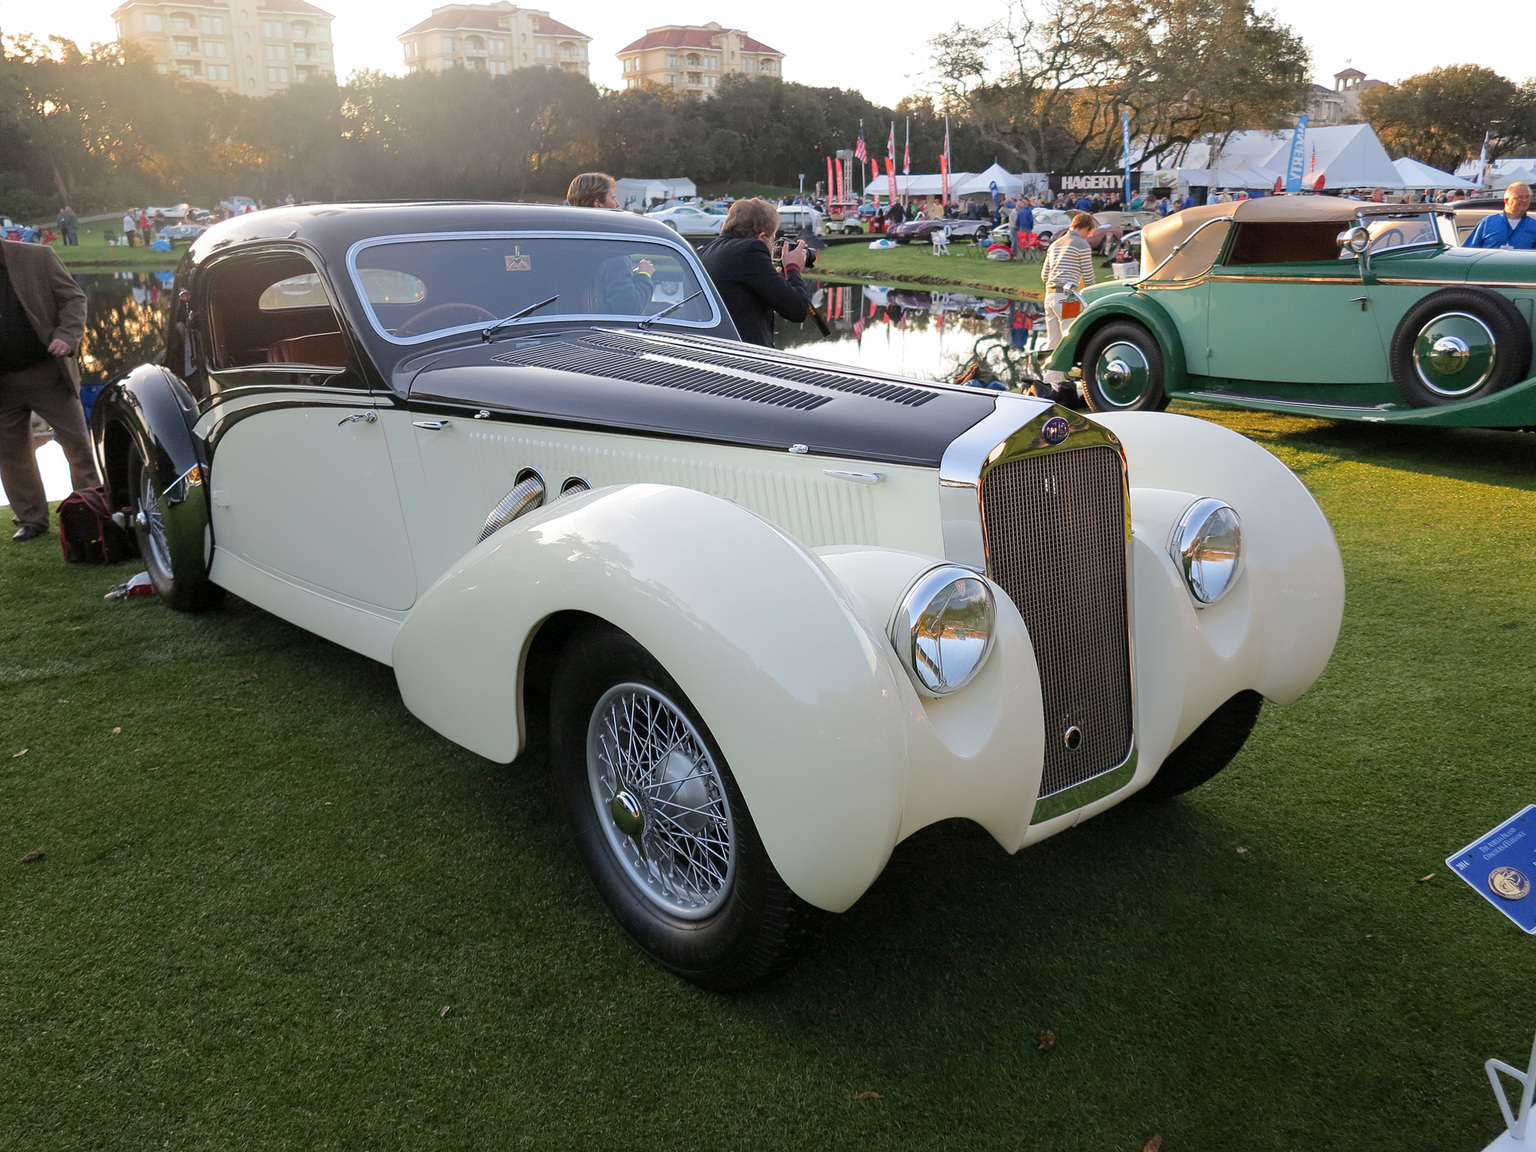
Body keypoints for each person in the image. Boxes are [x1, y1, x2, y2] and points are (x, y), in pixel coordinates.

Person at [0, 236, 97, 541]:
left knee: (78, 445)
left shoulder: (37, 256)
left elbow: (73, 298)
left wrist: (68, 335)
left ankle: (91, 509)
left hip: (48, 373)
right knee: (11, 453)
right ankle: (31, 520)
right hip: (3, 384)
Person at [698, 198, 812, 348]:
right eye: (772, 239)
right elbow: (797, 310)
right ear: (761, 237)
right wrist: (793, 267)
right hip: (746, 360)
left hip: (716, 353)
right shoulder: (750, 249)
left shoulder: (704, 252)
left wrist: (776, 278)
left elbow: (738, 293)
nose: (771, 247)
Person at [565, 171, 655, 314]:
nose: (617, 204)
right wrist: (644, 274)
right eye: (612, 198)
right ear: (598, 204)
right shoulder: (611, 250)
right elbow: (629, 308)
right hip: (600, 332)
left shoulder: (563, 243)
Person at [1035, 213, 1097, 404]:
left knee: (1053, 339)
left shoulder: (1055, 244)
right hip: (1068, 298)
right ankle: (1061, 384)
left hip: (1050, 296)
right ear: (1085, 228)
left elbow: (1044, 275)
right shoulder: (1082, 245)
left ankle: (1050, 383)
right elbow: (1089, 278)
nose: (1089, 236)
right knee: (1068, 339)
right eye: (1089, 232)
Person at [1465, 182, 1536, 250]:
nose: (1524, 200)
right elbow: (1469, 252)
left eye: (1527, 197)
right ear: (1506, 201)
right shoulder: (1488, 223)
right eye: (1519, 197)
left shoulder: (1533, 226)